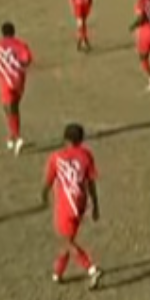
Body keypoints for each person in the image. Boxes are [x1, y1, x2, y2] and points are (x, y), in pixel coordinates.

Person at [42, 123, 103, 290]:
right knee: (68, 238)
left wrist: (43, 196)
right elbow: (91, 183)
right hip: (80, 203)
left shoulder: (57, 156)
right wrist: (96, 205)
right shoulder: (86, 156)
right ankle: (58, 272)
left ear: (65, 139)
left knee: (65, 240)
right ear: (81, 139)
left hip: (65, 204)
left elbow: (48, 180)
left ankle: (91, 268)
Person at [0, 22, 33, 155]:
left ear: (2, 33)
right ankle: (13, 135)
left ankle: (17, 136)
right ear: (13, 32)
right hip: (19, 80)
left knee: (9, 107)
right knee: (13, 107)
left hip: (4, 80)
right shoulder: (21, 44)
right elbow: (26, 60)